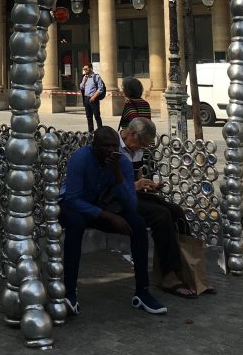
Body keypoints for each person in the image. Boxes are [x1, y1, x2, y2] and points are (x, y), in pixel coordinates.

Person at [59, 126, 167, 316]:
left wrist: (118, 175)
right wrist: (108, 216)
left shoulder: (122, 162)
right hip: (78, 207)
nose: (110, 150)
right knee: (75, 226)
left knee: (137, 224)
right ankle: (69, 292)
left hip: (103, 206)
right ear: (94, 145)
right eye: (105, 146)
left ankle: (142, 291)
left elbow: (131, 204)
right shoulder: (81, 158)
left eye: (113, 146)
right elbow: (72, 199)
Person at [118, 117, 197, 299]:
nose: (141, 149)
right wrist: (135, 186)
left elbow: (137, 175)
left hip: (133, 193)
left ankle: (187, 265)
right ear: (132, 135)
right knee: (160, 215)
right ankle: (169, 274)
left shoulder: (136, 147)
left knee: (175, 211)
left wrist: (146, 184)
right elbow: (111, 183)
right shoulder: (114, 147)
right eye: (142, 144)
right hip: (118, 197)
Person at [79, 62, 106, 133]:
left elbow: (100, 88)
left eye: (86, 69)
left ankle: (100, 131)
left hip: (93, 99)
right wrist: (84, 80)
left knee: (97, 116)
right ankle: (90, 131)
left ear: (91, 68)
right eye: (84, 69)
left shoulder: (96, 76)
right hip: (86, 99)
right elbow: (81, 87)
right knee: (89, 117)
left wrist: (94, 97)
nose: (85, 70)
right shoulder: (84, 77)